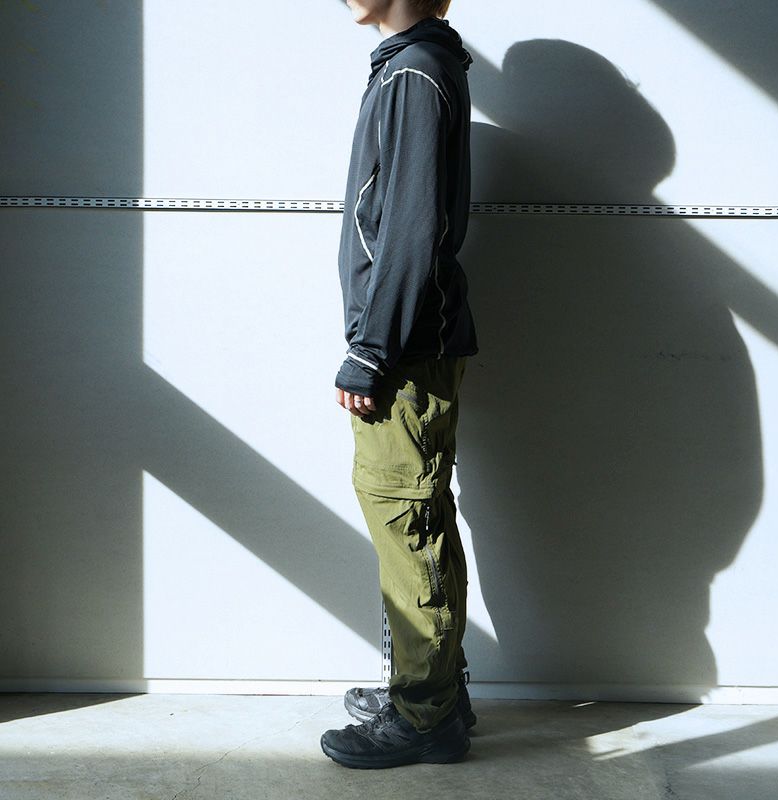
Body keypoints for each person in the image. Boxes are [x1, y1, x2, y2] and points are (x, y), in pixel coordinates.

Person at [320, 0, 478, 769]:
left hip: (405, 352)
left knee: (406, 522)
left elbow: (410, 231)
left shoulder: (413, 73)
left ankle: (425, 718)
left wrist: (371, 352)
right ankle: (437, 692)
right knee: (421, 517)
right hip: (414, 345)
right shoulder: (418, 65)